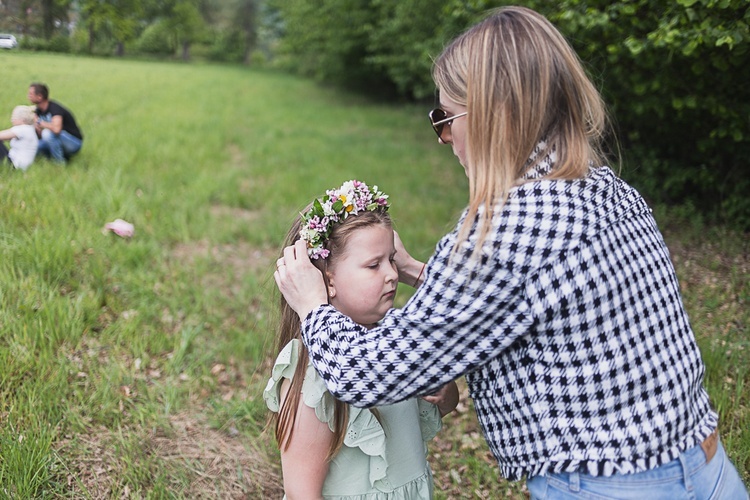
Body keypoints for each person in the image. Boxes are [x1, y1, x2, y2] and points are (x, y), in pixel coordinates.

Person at [274, 7, 748, 500]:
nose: (445, 139)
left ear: (488, 116)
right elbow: (523, 294)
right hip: (705, 465)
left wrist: (312, 304)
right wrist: (417, 269)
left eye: (445, 119)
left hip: (610, 485)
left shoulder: (506, 228)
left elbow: (368, 373)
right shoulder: (606, 189)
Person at [265, 179, 459, 498]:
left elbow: (445, 406)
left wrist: (443, 388)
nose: (393, 274)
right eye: (373, 265)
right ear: (326, 281)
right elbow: (302, 492)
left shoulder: (395, 338)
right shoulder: (311, 370)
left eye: (392, 259)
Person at [28, 82, 83, 163]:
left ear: (39, 97)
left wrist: (40, 122)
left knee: (47, 134)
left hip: (73, 142)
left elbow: (57, 129)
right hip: (58, 141)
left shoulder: (55, 109)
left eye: (31, 94)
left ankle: (59, 163)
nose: (28, 96)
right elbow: (39, 133)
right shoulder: (38, 111)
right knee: (35, 146)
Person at [0, 105, 39, 171]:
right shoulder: (30, 129)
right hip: (19, 165)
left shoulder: (23, 129)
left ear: (22, 119)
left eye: (14, 118)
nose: (12, 121)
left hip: (15, 166)